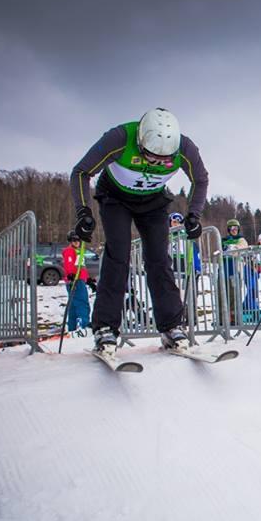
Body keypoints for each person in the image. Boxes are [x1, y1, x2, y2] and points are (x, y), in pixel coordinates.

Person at [69, 108, 208, 355]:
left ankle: (171, 326)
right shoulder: (119, 138)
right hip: (115, 198)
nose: (153, 163)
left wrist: (194, 215)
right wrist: (84, 212)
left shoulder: (186, 149)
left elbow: (201, 179)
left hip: (153, 202)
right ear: (141, 141)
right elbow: (81, 172)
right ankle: (105, 328)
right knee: (118, 256)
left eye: (161, 161)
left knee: (159, 259)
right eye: (149, 156)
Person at [62, 231, 92, 331]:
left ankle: (72, 326)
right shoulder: (70, 251)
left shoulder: (78, 251)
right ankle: (84, 324)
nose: (76, 242)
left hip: (80, 279)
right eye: (74, 240)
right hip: (75, 280)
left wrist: (88, 279)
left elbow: (80, 267)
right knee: (82, 302)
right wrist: (71, 275)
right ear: (70, 241)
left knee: (74, 305)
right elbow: (69, 264)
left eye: (78, 240)